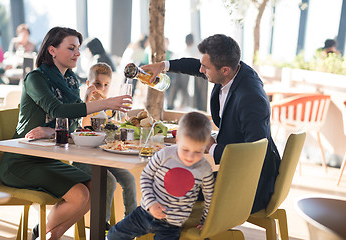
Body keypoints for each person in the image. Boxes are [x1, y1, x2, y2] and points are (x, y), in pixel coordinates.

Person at [0, 27, 132, 240]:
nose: (77, 53)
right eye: (71, 48)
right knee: (80, 196)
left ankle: (48, 235)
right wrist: (106, 103)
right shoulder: (35, 78)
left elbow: (71, 124)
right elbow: (59, 111)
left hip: (48, 159)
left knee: (96, 186)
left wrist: (52, 130)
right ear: (52, 50)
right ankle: (40, 232)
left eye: (78, 48)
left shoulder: (70, 81)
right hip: (21, 162)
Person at [142, 34, 281, 214]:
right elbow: (196, 66)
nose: (201, 70)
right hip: (236, 173)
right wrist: (163, 66)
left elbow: (255, 154)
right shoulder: (234, 71)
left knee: (167, 187)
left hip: (251, 185)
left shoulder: (250, 98)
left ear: (224, 70)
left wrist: (213, 147)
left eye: (205, 67)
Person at [107, 111, 215, 240]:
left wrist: (205, 221)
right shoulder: (165, 153)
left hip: (172, 225)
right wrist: (151, 204)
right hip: (145, 213)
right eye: (185, 149)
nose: (190, 157)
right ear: (178, 139)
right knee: (114, 235)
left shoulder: (204, 169)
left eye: (198, 151)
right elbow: (146, 177)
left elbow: (210, 197)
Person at [73, 62, 137, 230]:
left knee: (129, 179)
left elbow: (111, 129)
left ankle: (132, 222)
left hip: (102, 158)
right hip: (83, 159)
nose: (102, 88)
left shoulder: (108, 107)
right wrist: (87, 100)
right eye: (97, 84)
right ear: (88, 84)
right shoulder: (82, 106)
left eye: (106, 85)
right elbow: (84, 125)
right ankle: (102, 224)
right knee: (108, 181)